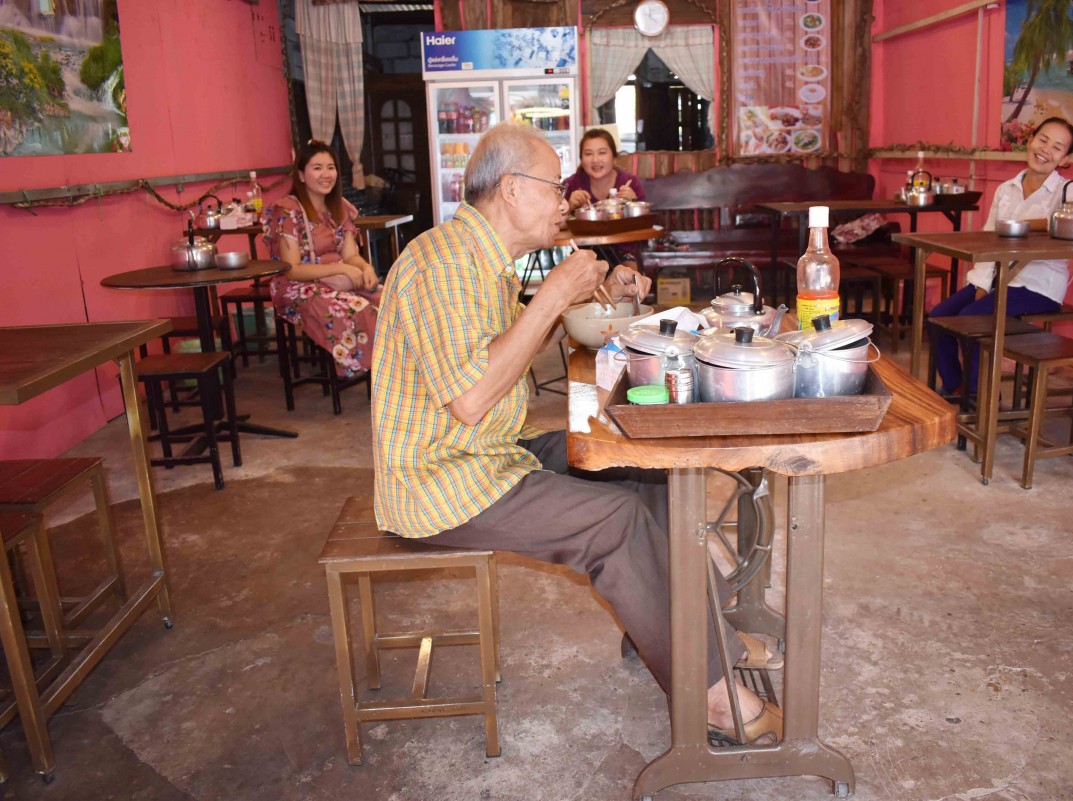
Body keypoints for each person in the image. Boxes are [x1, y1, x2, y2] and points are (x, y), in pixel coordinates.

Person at [372, 123, 782, 745]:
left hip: (488, 453)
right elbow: (471, 399)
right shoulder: (445, 262)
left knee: (636, 458)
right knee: (612, 520)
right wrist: (553, 297)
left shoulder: (481, 258)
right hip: (441, 477)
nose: (564, 199)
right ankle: (713, 698)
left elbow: (504, 349)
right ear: (511, 189)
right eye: (552, 185)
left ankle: (695, 634)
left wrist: (584, 297)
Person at [928, 116, 1073, 394]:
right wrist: (982, 285)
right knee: (939, 317)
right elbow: (989, 240)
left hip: (1037, 285)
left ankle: (982, 399)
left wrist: (1026, 225)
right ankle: (957, 387)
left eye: (1057, 147)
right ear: (1030, 140)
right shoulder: (1006, 189)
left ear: (1065, 159)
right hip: (998, 279)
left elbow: (1067, 221)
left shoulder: (1068, 190)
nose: (1045, 150)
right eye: (1043, 140)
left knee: (972, 319)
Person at [262, 140, 381, 377]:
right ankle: (378, 371)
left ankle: (398, 369)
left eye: (330, 167)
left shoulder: (340, 208)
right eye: (317, 168)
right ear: (301, 175)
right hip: (297, 287)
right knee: (361, 308)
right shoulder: (287, 210)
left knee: (391, 301)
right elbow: (292, 269)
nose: (326, 174)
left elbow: (350, 255)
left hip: (336, 281)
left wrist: (365, 268)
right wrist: (344, 270)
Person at [563, 128, 647, 270]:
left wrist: (634, 203)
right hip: (584, 253)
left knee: (630, 280)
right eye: (588, 154)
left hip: (625, 253)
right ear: (581, 159)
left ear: (614, 157)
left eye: (602, 153)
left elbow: (645, 224)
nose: (595, 160)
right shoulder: (572, 184)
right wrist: (569, 206)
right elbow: (554, 222)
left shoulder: (629, 181)